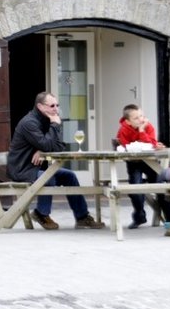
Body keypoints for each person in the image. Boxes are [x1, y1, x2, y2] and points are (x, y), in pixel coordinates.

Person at [6, 91, 104, 230]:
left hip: (38, 169)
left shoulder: (49, 120)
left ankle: (82, 217)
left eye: (57, 105)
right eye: (52, 106)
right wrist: (48, 141)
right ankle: (41, 214)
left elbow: (58, 146)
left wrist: (42, 150)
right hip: (22, 169)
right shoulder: (30, 123)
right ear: (40, 106)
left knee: (70, 176)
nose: (56, 109)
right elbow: (47, 144)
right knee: (48, 177)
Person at [115, 104, 170, 229]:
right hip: (134, 163)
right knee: (135, 188)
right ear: (128, 121)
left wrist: (142, 131)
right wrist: (142, 142)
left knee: (161, 186)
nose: (141, 120)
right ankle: (139, 216)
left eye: (142, 116)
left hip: (151, 162)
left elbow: (151, 143)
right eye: (136, 118)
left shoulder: (148, 127)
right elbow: (127, 147)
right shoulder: (123, 130)